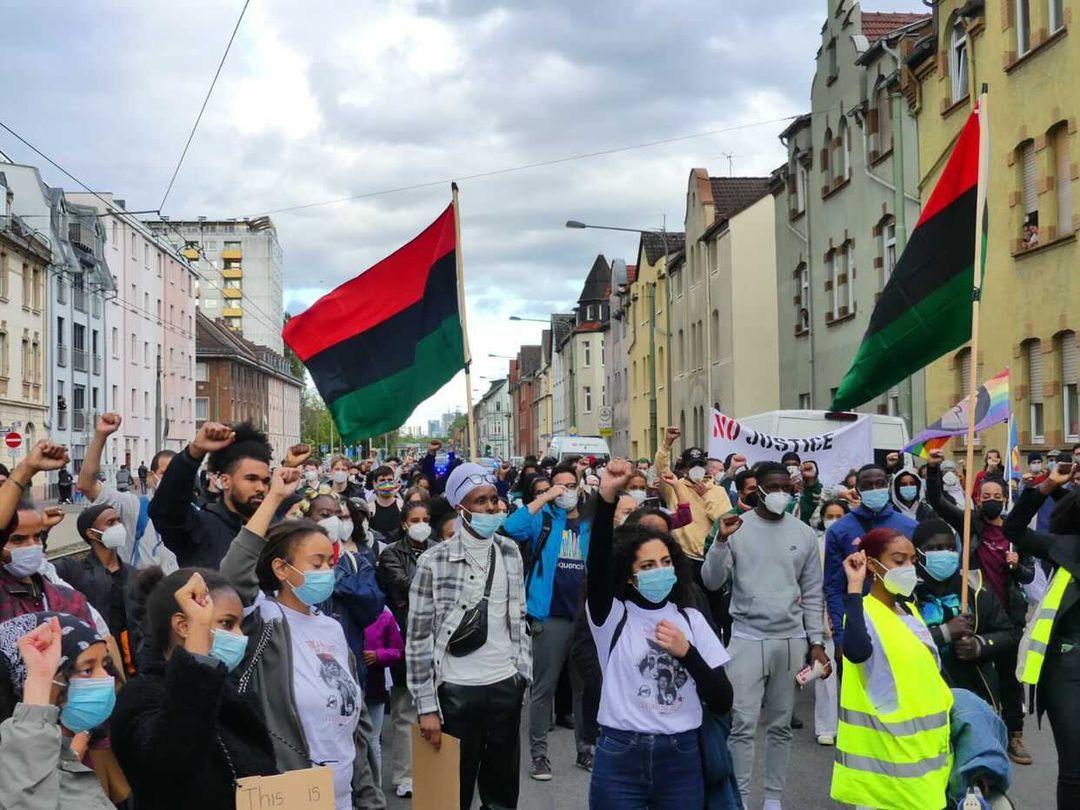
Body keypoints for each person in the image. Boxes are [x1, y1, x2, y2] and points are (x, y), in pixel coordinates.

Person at [221, 465, 381, 809]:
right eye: (315, 563)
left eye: (329, 562)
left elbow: (357, 722)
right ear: (281, 569)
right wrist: (275, 495)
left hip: (344, 795)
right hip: (291, 793)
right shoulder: (264, 619)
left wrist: (369, 793)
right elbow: (233, 573)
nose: (326, 572)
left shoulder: (332, 628)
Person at [587, 458, 732, 809]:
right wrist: (607, 497)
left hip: (681, 755)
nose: (659, 572)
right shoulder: (612, 617)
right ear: (629, 574)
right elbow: (599, 562)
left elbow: (722, 698)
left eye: (666, 563)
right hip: (620, 753)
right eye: (647, 566)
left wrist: (688, 654)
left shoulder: (691, 619)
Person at [701, 461, 829, 809]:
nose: (780, 494)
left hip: (790, 640)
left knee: (781, 725)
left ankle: (773, 800)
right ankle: (739, 799)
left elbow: (813, 592)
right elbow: (711, 581)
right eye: (773, 488)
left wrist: (816, 642)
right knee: (741, 725)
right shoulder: (735, 528)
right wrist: (721, 542)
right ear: (756, 489)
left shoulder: (802, 533)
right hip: (746, 638)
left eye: (786, 489)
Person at [409, 463, 530, 810]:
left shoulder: (509, 552)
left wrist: (522, 675)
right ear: (461, 508)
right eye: (481, 501)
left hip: (504, 686)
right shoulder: (434, 561)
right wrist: (426, 706)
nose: (492, 507)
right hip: (456, 694)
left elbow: (518, 618)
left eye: (494, 499)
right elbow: (418, 639)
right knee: (451, 796)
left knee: (502, 796)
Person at [111, 569, 277, 809]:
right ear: (182, 625)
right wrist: (198, 645)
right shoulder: (141, 697)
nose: (239, 636)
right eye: (227, 624)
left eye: (240, 625)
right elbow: (175, 757)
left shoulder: (235, 695)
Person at [924, 450, 1035, 764]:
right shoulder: (970, 523)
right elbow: (938, 502)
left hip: (1010, 619)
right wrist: (933, 473)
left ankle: (1015, 735)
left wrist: (1016, 566)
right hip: (977, 616)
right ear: (978, 496)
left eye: (997, 495)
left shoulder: (1016, 533)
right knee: (979, 676)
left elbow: (1028, 575)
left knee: (1011, 680)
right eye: (985, 494)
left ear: (1004, 499)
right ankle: (980, 732)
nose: (991, 499)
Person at [831, 530, 953, 810]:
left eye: (912, 560)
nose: (908, 568)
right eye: (898, 561)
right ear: (873, 565)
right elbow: (856, 651)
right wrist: (853, 587)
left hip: (924, 756)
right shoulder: (864, 612)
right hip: (886, 761)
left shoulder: (910, 611)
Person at [502, 462, 592, 778]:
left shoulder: (589, 522)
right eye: (559, 486)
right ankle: (539, 756)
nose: (565, 491)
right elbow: (511, 527)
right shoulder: (543, 519)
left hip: (584, 619)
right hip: (550, 615)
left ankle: (586, 750)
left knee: (584, 689)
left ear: (580, 487)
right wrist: (545, 497)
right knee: (544, 689)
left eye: (570, 485)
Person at [1004, 461, 1080, 806]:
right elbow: (1014, 528)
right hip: (1067, 669)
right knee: (1075, 770)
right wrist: (1049, 485)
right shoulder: (1065, 547)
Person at [0, 613, 116, 809]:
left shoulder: (63, 759)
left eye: (105, 665)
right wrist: (39, 680)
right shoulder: (15, 777)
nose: (105, 678)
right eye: (87, 670)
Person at [910, 519, 1020, 714]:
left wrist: (980, 645)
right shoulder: (906, 593)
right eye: (935, 548)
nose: (944, 553)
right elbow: (896, 643)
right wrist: (944, 633)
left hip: (974, 694)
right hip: (922, 696)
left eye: (950, 548)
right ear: (918, 553)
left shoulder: (974, 587)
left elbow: (1009, 635)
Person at [824, 463, 917, 661]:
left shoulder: (909, 527)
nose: (875, 489)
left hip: (901, 619)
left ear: (888, 485)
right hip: (860, 621)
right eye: (867, 486)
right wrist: (841, 636)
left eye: (880, 484)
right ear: (857, 490)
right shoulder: (839, 530)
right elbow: (834, 587)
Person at [150, 421, 273, 569]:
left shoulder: (269, 532)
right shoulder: (200, 528)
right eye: (251, 479)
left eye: (266, 481)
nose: (260, 488)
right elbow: (168, 508)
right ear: (225, 481)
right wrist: (193, 453)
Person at [375, 501, 434, 799]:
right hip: (406, 637)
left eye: (426, 518)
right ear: (404, 523)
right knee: (405, 710)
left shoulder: (438, 548)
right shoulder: (391, 554)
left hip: (438, 640)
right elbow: (404, 583)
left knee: (438, 710)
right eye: (415, 519)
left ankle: (434, 771)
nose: (421, 524)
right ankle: (405, 775)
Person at [53, 504, 139, 675]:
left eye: (118, 521)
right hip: (96, 659)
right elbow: (39, 569)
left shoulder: (134, 574)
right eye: (111, 522)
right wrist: (43, 532)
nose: (118, 527)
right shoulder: (74, 571)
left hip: (133, 660)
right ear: (91, 533)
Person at [653, 427, 733, 563]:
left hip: (710, 557)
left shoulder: (717, 490)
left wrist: (706, 495)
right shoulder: (675, 487)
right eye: (692, 466)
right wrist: (667, 443)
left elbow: (724, 521)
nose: (697, 469)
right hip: (684, 557)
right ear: (684, 469)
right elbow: (661, 468)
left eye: (700, 465)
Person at [813, 499, 848, 746]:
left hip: (851, 610)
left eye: (839, 515)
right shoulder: (815, 545)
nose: (834, 520)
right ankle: (826, 726)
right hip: (823, 610)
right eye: (830, 515)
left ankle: (854, 723)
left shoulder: (857, 544)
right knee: (825, 669)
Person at [362, 605, 403, 771]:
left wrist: (379, 655)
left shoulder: (384, 613)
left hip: (374, 682)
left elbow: (398, 650)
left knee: (373, 741)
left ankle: (376, 791)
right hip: (347, 683)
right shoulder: (339, 607)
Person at [366, 465, 403, 538]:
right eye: (382, 480)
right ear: (375, 484)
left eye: (390, 480)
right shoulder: (369, 509)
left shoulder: (402, 506)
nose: (386, 483)